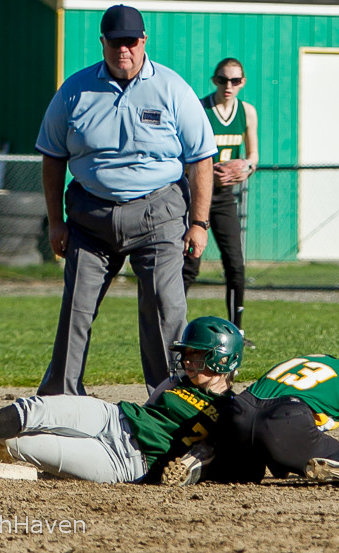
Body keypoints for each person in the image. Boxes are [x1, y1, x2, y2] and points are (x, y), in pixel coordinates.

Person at [34, 4, 218, 397]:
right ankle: (60, 399)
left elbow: (201, 158)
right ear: (103, 43)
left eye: (131, 43)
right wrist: (55, 221)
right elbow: (52, 157)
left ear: (143, 41)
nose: (124, 51)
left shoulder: (172, 89)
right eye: (116, 43)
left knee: (164, 310)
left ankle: (170, 399)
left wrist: (199, 223)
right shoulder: (74, 91)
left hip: (159, 213)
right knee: (76, 311)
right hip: (90, 216)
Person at [0, 317, 243, 485]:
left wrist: (193, 464)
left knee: (15, 446)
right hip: (114, 417)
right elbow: (149, 407)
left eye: (198, 356)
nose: (187, 361)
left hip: (128, 463)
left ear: (224, 361)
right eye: (186, 354)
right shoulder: (177, 382)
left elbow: (222, 453)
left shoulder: (232, 411)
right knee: (36, 408)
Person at [196, 325, 339, 488]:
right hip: (285, 419)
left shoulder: (314, 358)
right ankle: (299, 460)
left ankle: (206, 462)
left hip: (238, 410)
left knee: (248, 473)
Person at [182, 58, 259, 348]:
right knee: (189, 265)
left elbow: (253, 157)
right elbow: (183, 155)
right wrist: (201, 172)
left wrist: (244, 168)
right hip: (195, 195)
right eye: (223, 80)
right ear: (214, 80)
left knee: (235, 263)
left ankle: (237, 330)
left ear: (243, 82)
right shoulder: (200, 110)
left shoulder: (247, 112)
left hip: (224, 197)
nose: (229, 86)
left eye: (235, 81)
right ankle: (177, 327)